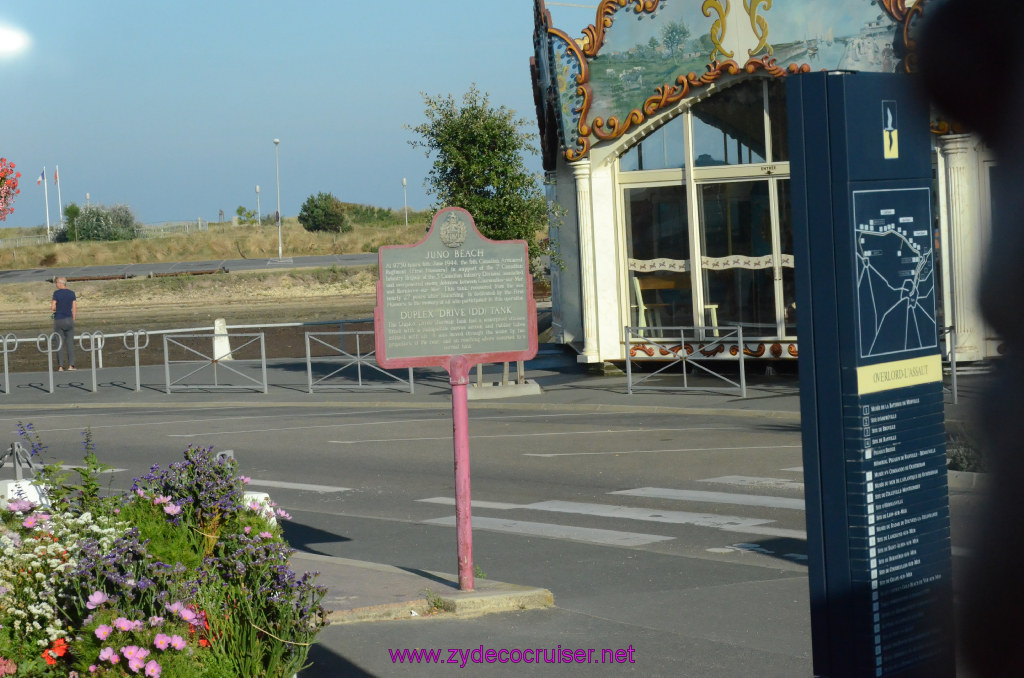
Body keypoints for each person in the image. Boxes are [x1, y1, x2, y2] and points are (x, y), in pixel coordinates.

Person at [50, 276, 76, 371]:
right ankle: (71, 365)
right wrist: (73, 319)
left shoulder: (56, 293)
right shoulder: (72, 293)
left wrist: (58, 308)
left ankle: (60, 366)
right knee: (70, 343)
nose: (56, 284)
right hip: (69, 319)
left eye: (57, 282)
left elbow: (52, 307)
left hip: (59, 320)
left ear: (61, 283)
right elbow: (74, 308)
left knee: (59, 343)